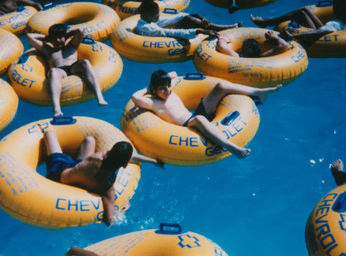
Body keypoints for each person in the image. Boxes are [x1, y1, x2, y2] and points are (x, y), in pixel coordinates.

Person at [132, 70, 282, 159]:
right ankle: (231, 147)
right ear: (154, 89)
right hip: (186, 126)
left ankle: (260, 92)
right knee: (198, 118)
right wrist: (148, 89)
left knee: (220, 86)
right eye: (162, 89)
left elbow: (174, 74)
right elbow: (135, 97)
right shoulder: (153, 102)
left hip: (196, 115)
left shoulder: (168, 90)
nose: (168, 91)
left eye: (168, 87)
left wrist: (164, 83)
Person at [43, 127, 162, 226]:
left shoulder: (99, 156)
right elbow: (109, 221)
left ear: (109, 153)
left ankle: (69, 154)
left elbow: (122, 156)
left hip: (67, 171)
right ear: (125, 165)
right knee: (127, 205)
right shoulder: (107, 188)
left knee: (83, 139)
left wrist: (152, 160)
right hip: (58, 173)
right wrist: (122, 210)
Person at [26, 23, 107, 117]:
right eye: (54, 38)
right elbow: (29, 36)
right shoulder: (47, 49)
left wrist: (67, 35)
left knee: (85, 62)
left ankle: (99, 97)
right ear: (50, 40)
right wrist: (48, 38)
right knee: (53, 71)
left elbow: (80, 31)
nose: (57, 40)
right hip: (59, 70)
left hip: (73, 67)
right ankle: (57, 109)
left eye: (60, 37)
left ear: (65, 37)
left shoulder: (72, 45)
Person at [251, 0, 346, 41]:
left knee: (301, 14)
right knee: (305, 10)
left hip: (323, 34)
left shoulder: (334, 24)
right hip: (340, 31)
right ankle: (266, 22)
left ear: (336, 8)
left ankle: (267, 22)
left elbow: (317, 33)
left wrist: (293, 35)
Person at [136, 0, 240, 39]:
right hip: (160, 42)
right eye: (156, 14)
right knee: (190, 22)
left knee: (188, 18)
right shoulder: (146, 27)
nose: (159, 15)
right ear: (148, 15)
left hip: (163, 34)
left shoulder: (147, 19)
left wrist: (198, 16)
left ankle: (223, 27)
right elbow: (168, 32)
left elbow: (173, 18)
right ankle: (224, 28)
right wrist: (198, 31)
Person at [216, 30, 290, 58]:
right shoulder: (262, 58)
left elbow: (221, 46)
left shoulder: (237, 57)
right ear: (259, 50)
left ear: (242, 50)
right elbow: (284, 45)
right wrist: (275, 37)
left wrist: (221, 38)